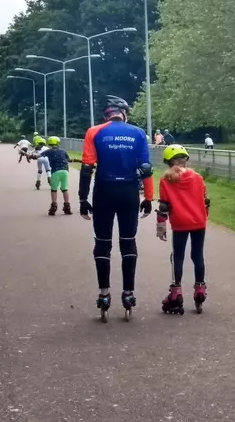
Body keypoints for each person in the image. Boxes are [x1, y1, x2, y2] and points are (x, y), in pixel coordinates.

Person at [78, 95, 154, 322]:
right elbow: (146, 169)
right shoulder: (138, 133)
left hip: (104, 191)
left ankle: (104, 294)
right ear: (125, 113)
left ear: (107, 115)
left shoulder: (94, 132)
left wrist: (83, 198)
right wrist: (148, 197)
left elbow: (86, 167)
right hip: (129, 192)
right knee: (128, 241)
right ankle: (128, 294)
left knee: (102, 244)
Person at [157, 145, 210, 315]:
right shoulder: (198, 178)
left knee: (177, 257)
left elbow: (164, 205)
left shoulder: (166, 180)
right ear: (185, 159)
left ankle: (176, 292)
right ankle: (200, 289)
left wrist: (161, 226)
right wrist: (203, 216)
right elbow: (205, 199)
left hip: (180, 223)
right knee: (197, 255)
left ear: (168, 162)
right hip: (199, 222)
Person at [41, 136, 80, 215]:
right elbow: (69, 160)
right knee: (64, 189)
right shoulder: (63, 151)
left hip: (55, 171)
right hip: (65, 171)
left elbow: (36, 156)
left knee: (54, 189)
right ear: (58, 143)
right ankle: (67, 207)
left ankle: (53, 207)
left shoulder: (48, 151)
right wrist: (79, 160)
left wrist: (29, 156)